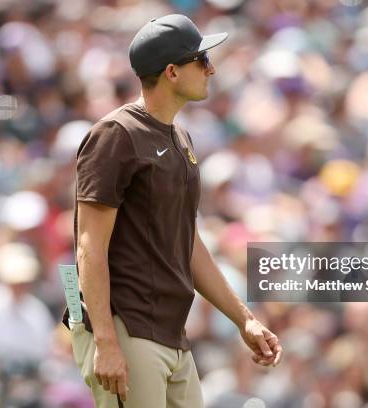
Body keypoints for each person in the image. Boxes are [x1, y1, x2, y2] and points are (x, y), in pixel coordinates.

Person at [62, 14, 282, 408]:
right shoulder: (116, 135)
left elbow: (187, 241)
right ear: (172, 73)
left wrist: (243, 318)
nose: (210, 69)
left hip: (170, 330)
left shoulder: (180, 137)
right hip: (126, 324)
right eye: (201, 60)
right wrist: (106, 342)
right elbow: (88, 247)